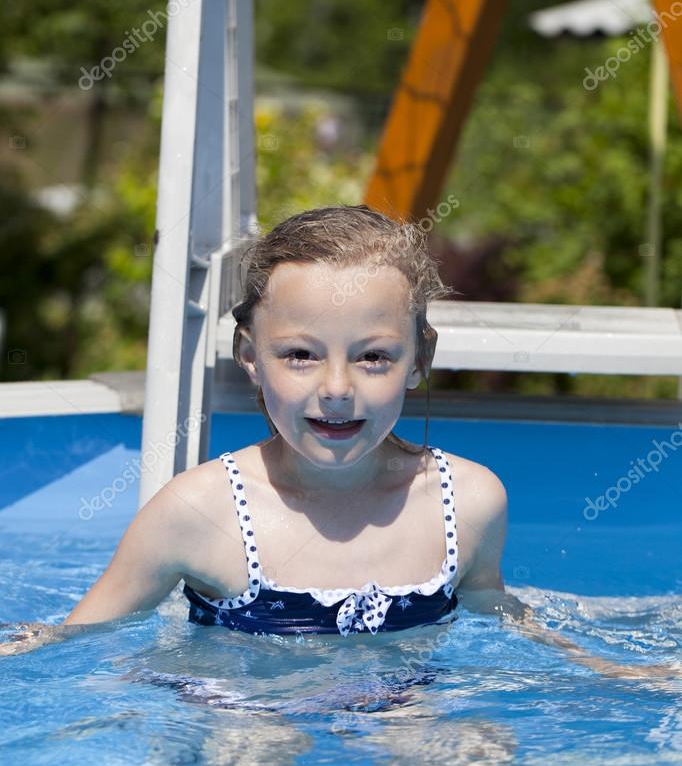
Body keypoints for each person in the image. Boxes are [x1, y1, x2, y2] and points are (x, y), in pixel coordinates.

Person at [1, 205, 680, 686]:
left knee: (466, 751)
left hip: (402, 708)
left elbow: (495, 611)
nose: (336, 387)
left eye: (374, 357)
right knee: (254, 765)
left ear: (419, 359)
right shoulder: (198, 512)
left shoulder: (467, 502)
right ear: (250, 357)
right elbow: (74, 639)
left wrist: (610, 669)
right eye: (299, 354)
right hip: (244, 706)